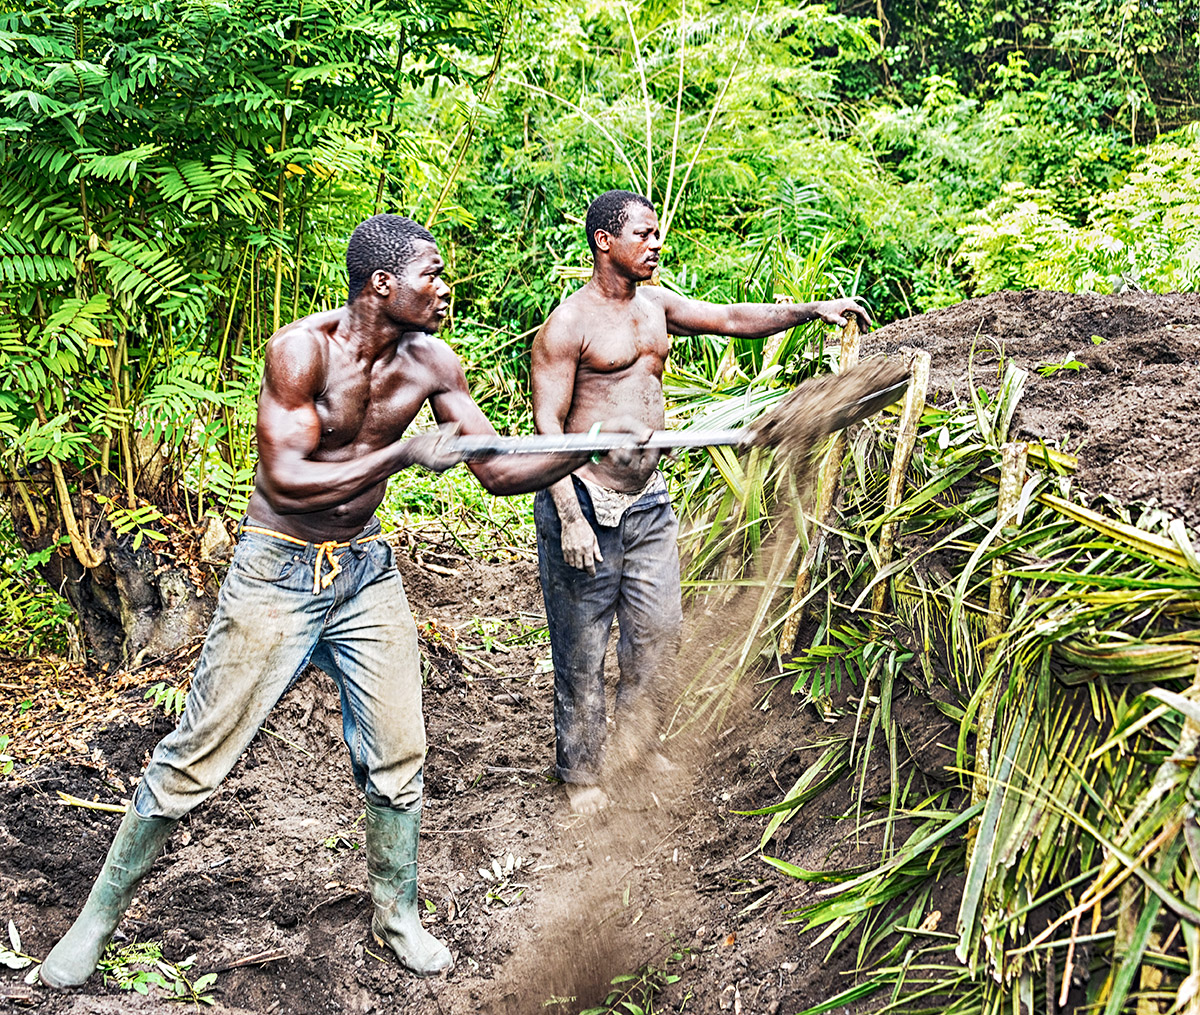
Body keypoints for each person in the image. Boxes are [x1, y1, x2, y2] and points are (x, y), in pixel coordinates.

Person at [40, 214, 646, 987]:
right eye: (433, 275)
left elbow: (494, 468)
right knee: (196, 758)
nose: (446, 289)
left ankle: (396, 916)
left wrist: (587, 448)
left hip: (362, 573)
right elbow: (288, 479)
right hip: (277, 570)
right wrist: (401, 453)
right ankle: (95, 918)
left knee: (399, 754)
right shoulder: (302, 350)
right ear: (382, 284)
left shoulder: (433, 364)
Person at [531, 190, 872, 815]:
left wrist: (812, 309)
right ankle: (580, 773)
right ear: (605, 241)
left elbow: (731, 319)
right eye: (643, 234)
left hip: (647, 498)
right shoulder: (569, 324)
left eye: (658, 234)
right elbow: (547, 430)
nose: (655, 245)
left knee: (658, 630)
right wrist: (571, 517)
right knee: (582, 643)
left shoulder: (657, 305)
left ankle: (639, 745)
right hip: (585, 499)